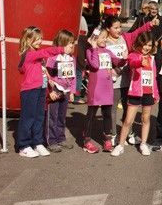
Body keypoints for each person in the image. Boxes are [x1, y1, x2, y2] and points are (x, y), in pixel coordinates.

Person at [16, 26, 72, 158]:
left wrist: (50, 86)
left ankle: (37, 142)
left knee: (39, 117)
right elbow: (45, 52)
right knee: (28, 117)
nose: (40, 41)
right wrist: (61, 49)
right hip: (29, 90)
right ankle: (23, 145)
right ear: (28, 40)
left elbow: (44, 73)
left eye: (40, 38)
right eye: (36, 39)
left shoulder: (38, 57)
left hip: (41, 89)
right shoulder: (29, 54)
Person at [103, 15, 157, 145]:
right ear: (108, 29)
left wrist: (149, 25)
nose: (119, 30)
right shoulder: (104, 41)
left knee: (129, 109)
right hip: (113, 80)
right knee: (112, 109)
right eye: (115, 28)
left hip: (128, 79)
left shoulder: (125, 37)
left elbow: (137, 32)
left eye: (120, 27)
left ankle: (129, 133)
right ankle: (113, 134)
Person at [111, 32, 160, 157]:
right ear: (139, 44)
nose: (147, 47)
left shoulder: (152, 59)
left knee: (145, 119)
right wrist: (140, 62)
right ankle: (120, 145)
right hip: (135, 92)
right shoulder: (133, 55)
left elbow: (154, 77)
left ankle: (143, 143)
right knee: (128, 120)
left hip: (148, 92)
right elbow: (133, 63)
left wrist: (156, 93)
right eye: (144, 44)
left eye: (149, 45)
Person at [83, 28, 123, 153]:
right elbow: (94, 65)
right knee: (91, 115)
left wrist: (125, 56)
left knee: (107, 114)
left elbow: (118, 61)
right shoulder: (90, 51)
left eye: (106, 37)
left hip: (107, 87)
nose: (105, 39)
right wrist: (94, 47)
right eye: (102, 37)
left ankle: (107, 140)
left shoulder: (108, 51)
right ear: (95, 38)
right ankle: (86, 141)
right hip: (95, 87)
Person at [45, 30, 77, 152]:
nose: (71, 45)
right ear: (62, 43)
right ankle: (51, 141)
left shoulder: (72, 58)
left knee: (62, 116)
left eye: (72, 43)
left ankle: (60, 138)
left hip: (66, 90)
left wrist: (72, 91)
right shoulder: (54, 57)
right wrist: (50, 88)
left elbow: (73, 77)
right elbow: (47, 71)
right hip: (56, 89)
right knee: (52, 116)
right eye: (69, 43)